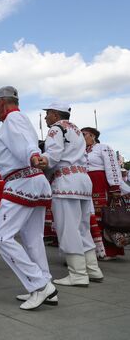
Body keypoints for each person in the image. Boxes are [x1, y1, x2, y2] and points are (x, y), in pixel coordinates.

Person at [0, 86, 57, 310]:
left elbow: (25, 143)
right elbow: (26, 141)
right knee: (32, 236)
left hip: (21, 181)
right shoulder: (20, 119)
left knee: (2, 236)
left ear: (1, 103)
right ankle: (45, 283)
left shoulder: (12, 119)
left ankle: (39, 285)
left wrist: (33, 155)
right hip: (33, 180)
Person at [38, 103, 103, 287]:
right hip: (83, 181)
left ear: (54, 114)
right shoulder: (76, 130)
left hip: (66, 182)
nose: (45, 118)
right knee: (83, 227)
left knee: (68, 228)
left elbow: (53, 155)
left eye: (47, 114)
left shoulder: (55, 129)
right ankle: (92, 269)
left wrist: (41, 164)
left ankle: (78, 274)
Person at [82, 126, 127, 260]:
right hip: (87, 185)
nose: (82, 138)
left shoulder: (103, 147)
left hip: (100, 183)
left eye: (84, 134)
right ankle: (95, 250)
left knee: (105, 216)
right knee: (90, 217)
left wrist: (114, 186)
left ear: (93, 136)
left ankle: (110, 251)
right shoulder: (82, 151)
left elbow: (112, 166)